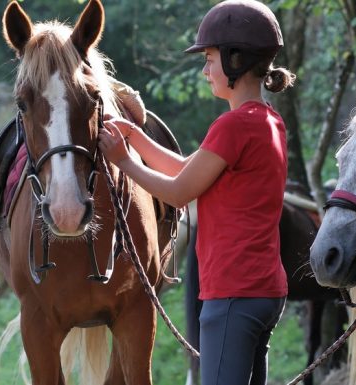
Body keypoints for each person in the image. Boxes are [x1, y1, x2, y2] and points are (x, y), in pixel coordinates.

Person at [98, 1, 296, 384]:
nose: (205, 70)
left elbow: (177, 192)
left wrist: (123, 161)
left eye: (210, 58)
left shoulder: (232, 126)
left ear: (236, 60)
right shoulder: (269, 121)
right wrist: (137, 137)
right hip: (265, 290)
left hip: (233, 293)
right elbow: (191, 170)